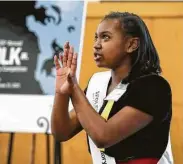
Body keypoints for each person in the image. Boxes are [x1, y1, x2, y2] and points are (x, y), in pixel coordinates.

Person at [51, 12, 173, 164]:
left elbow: (103, 136)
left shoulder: (154, 87)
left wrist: (74, 88)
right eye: (96, 37)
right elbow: (62, 132)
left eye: (106, 37)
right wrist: (62, 92)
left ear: (131, 45)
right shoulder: (98, 82)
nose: (96, 44)